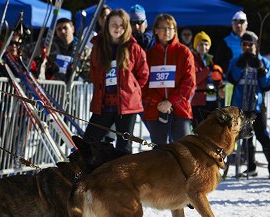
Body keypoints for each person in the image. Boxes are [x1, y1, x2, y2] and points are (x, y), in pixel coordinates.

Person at [84, 9, 149, 153]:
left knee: (124, 147)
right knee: (89, 142)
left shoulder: (134, 48)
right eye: (114, 24)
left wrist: (132, 89)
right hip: (103, 104)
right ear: (107, 25)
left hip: (127, 106)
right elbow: (93, 73)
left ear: (126, 27)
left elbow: (143, 75)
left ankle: (122, 175)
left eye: (121, 25)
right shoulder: (98, 47)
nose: (117, 28)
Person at [227, 31, 270, 179]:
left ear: (256, 45)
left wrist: (261, 70)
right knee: (245, 137)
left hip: (256, 106)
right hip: (240, 106)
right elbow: (231, 78)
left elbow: (267, 84)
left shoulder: (264, 61)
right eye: (244, 44)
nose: (247, 47)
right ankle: (250, 167)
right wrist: (239, 67)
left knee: (262, 136)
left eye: (250, 44)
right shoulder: (236, 60)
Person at [142, 14, 195, 145]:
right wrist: (158, 103)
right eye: (163, 28)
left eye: (170, 28)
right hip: (155, 111)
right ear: (155, 30)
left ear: (175, 31)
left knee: (184, 151)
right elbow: (143, 83)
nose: (166, 32)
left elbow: (189, 82)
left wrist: (170, 102)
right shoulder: (149, 55)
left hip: (180, 109)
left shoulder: (184, 52)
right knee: (159, 154)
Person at [191, 31, 224, 127]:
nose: (203, 47)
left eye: (206, 44)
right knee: (199, 129)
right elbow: (194, 79)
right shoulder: (192, 59)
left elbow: (215, 76)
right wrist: (207, 70)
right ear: (195, 46)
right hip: (197, 100)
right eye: (200, 44)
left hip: (211, 98)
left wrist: (220, 84)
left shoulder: (211, 60)